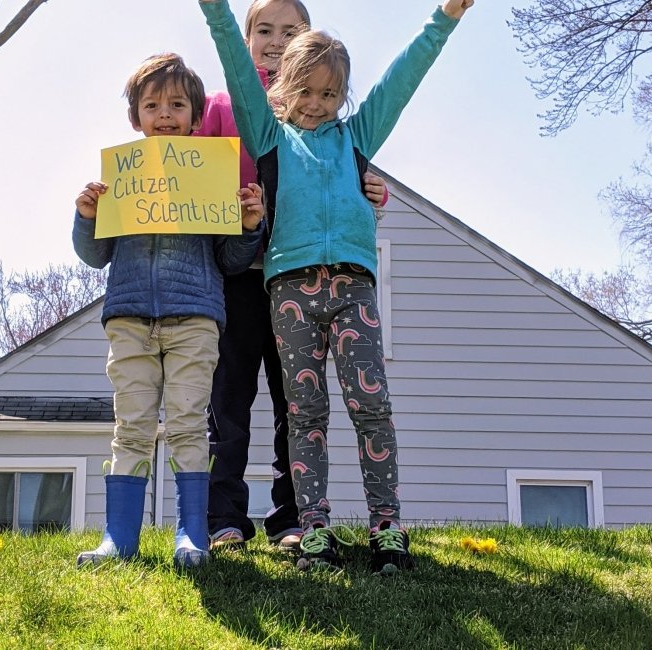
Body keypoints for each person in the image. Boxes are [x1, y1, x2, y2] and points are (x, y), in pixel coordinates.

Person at [198, 0, 474, 573]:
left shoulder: (356, 138)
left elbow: (404, 78)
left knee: (371, 403)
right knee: (304, 411)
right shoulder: (269, 137)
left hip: (353, 288)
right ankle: (313, 525)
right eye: (306, 93)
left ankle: (386, 526)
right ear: (280, 90)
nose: (318, 105)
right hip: (290, 293)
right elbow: (231, 55)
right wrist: (213, 8)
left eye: (330, 95)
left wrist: (444, 17)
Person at [196, 0, 391, 555]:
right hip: (236, 272)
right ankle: (225, 517)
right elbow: (188, 173)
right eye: (263, 30)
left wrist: (367, 188)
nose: (275, 41)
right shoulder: (225, 106)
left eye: (291, 31)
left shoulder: (324, 124)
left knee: (294, 405)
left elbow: (337, 180)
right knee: (228, 402)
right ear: (248, 35)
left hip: (293, 280)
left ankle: (291, 516)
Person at [72, 53, 265, 569]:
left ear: (196, 117)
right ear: (135, 117)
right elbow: (94, 256)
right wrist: (86, 216)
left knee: (187, 425)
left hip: (195, 319)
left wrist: (248, 226)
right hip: (130, 317)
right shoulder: (121, 179)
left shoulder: (210, 178)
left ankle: (191, 534)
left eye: (177, 104)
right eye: (152, 104)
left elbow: (229, 258)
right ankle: (120, 539)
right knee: (131, 425)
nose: (164, 114)